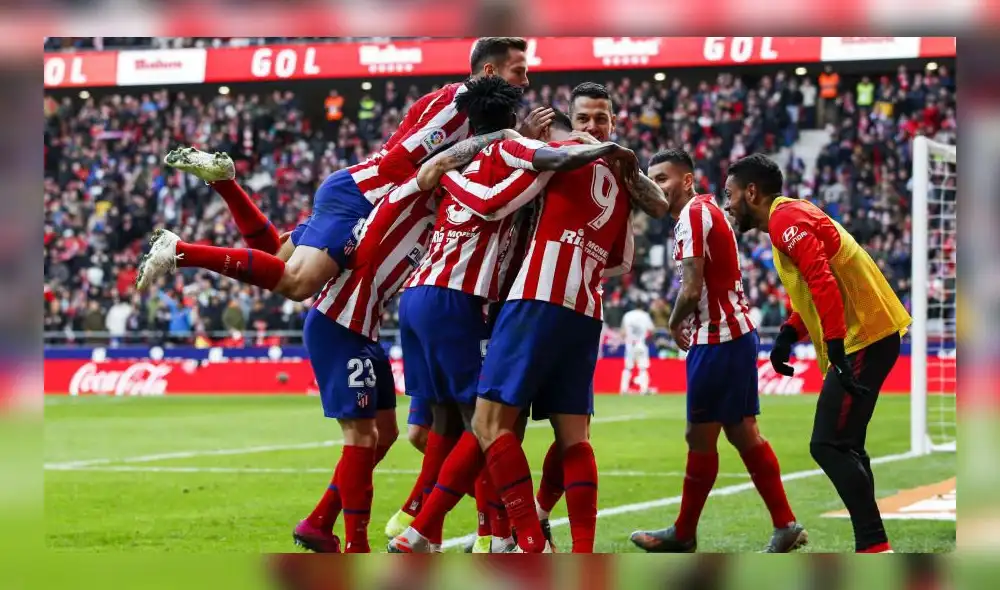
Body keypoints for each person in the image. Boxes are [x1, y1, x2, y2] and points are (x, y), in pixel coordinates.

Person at [386, 77, 637, 554]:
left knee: (484, 424)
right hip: (585, 309)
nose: (590, 127)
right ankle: (573, 551)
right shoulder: (622, 177)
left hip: (530, 300)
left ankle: (514, 539)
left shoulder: (552, 156)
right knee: (572, 437)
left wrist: (446, 171)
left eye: (597, 119)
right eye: (584, 118)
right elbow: (621, 260)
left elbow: (492, 203)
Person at [135, 37, 552, 301]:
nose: (526, 82)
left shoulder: (462, 105)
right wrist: (442, 175)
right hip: (361, 199)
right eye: (519, 72)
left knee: (271, 258)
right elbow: (397, 163)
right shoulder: (457, 106)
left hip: (354, 191)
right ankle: (178, 251)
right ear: (490, 71)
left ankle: (226, 185)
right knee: (298, 284)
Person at [723, 153, 911, 554]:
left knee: (828, 445)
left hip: (865, 337)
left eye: (730, 193)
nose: (728, 203)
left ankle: (875, 547)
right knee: (848, 445)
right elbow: (817, 285)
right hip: (871, 334)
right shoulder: (790, 216)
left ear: (751, 193)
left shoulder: (785, 221)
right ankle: (873, 546)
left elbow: (822, 281)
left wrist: (837, 350)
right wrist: (789, 334)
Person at [628, 149, 806, 554]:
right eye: (653, 178)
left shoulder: (693, 215)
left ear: (687, 180)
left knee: (701, 436)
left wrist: (673, 323)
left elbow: (692, 290)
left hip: (718, 338)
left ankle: (684, 532)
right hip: (734, 335)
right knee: (743, 433)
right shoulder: (708, 211)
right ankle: (785, 524)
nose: (657, 185)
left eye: (664, 177)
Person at [619, 305, 656, 395]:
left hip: (630, 344)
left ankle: (623, 389)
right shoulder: (645, 315)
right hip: (641, 344)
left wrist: (627, 339)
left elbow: (622, 332)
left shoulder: (627, 315)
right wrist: (649, 340)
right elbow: (652, 330)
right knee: (643, 368)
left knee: (628, 367)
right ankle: (644, 389)